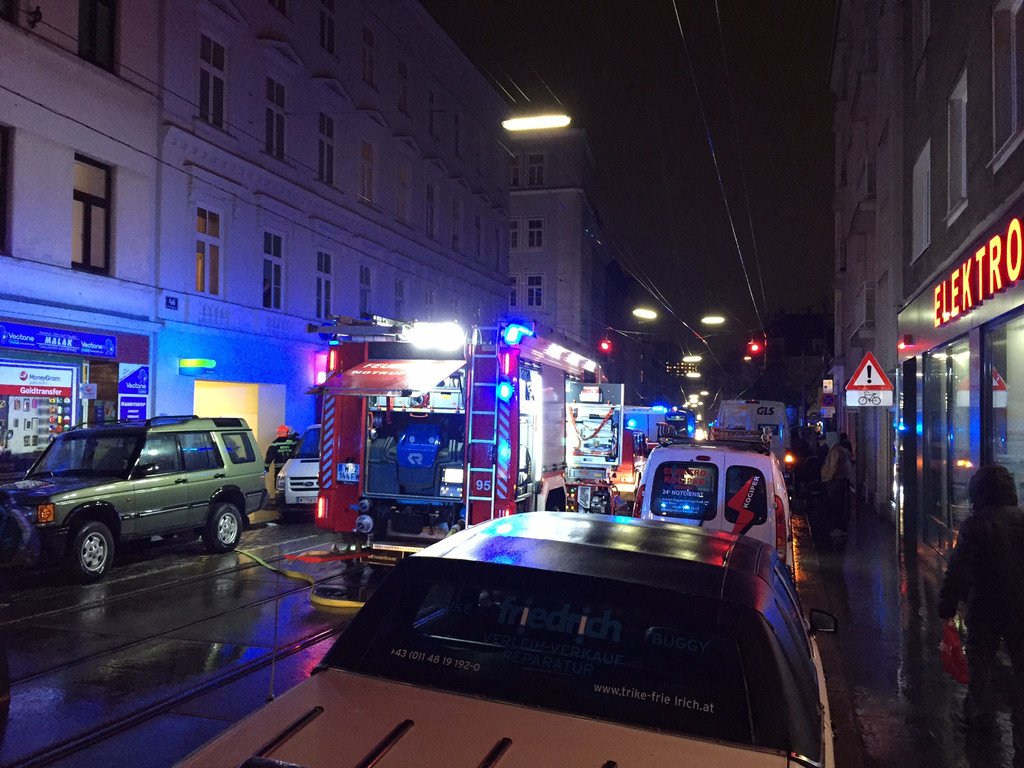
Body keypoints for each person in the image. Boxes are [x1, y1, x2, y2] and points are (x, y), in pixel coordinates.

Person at [937, 464, 1024, 766]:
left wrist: (947, 606)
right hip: (1020, 607)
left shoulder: (976, 525)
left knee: (980, 662)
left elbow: (958, 569)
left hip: (986, 605)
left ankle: (980, 716)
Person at [820, 432, 854, 536]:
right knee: (838, 505)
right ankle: (840, 527)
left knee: (836, 505)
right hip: (838, 480)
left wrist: (827, 478)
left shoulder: (834, 451)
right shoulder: (839, 449)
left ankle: (839, 528)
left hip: (834, 481)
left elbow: (833, 466)